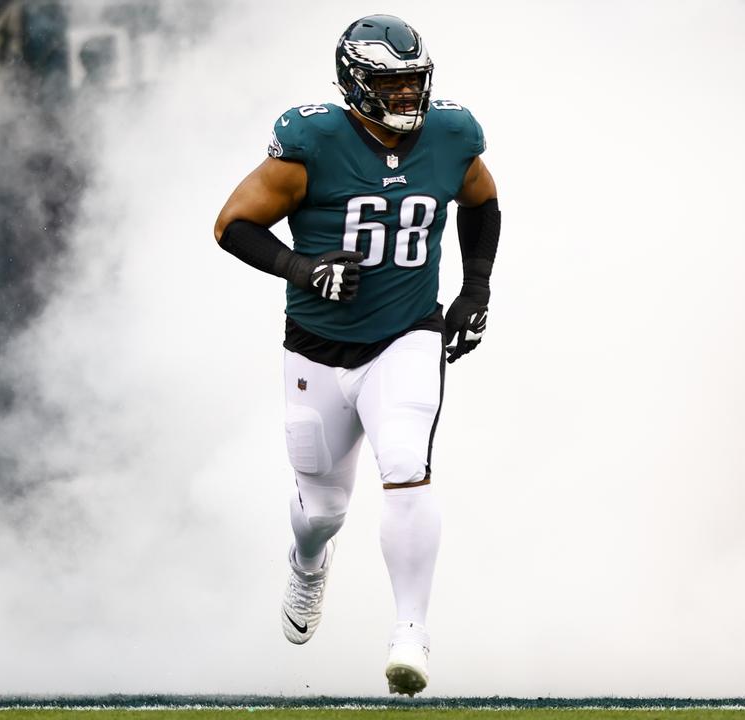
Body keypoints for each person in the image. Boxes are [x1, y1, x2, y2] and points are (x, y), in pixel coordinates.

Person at [212, 14, 500, 696]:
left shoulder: (453, 134)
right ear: (356, 84)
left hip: (407, 332)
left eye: (412, 83)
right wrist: (301, 267)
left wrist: (476, 287)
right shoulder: (312, 140)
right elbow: (232, 224)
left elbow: (482, 201)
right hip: (317, 347)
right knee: (322, 508)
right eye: (392, 85)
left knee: (405, 461)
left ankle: (410, 634)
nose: (407, 98)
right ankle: (308, 568)